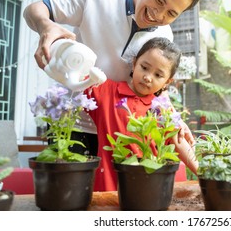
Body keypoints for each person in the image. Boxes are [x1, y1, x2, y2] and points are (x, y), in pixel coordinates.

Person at [23, 0, 203, 155]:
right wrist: (45, 25)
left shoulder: (164, 35)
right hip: (72, 124)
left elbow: (156, 87)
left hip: (120, 131)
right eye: (159, 0)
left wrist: (173, 117)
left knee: (113, 187)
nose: (158, 14)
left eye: (171, 13)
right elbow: (34, 9)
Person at [85, 37, 198, 191]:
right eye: (144, 67)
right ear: (134, 63)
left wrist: (202, 172)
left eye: (158, 75)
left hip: (149, 187)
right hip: (109, 187)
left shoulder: (162, 109)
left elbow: (179, 142)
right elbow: (78, 77)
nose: (148, 77)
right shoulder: (107, 91)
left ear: (167, 82)